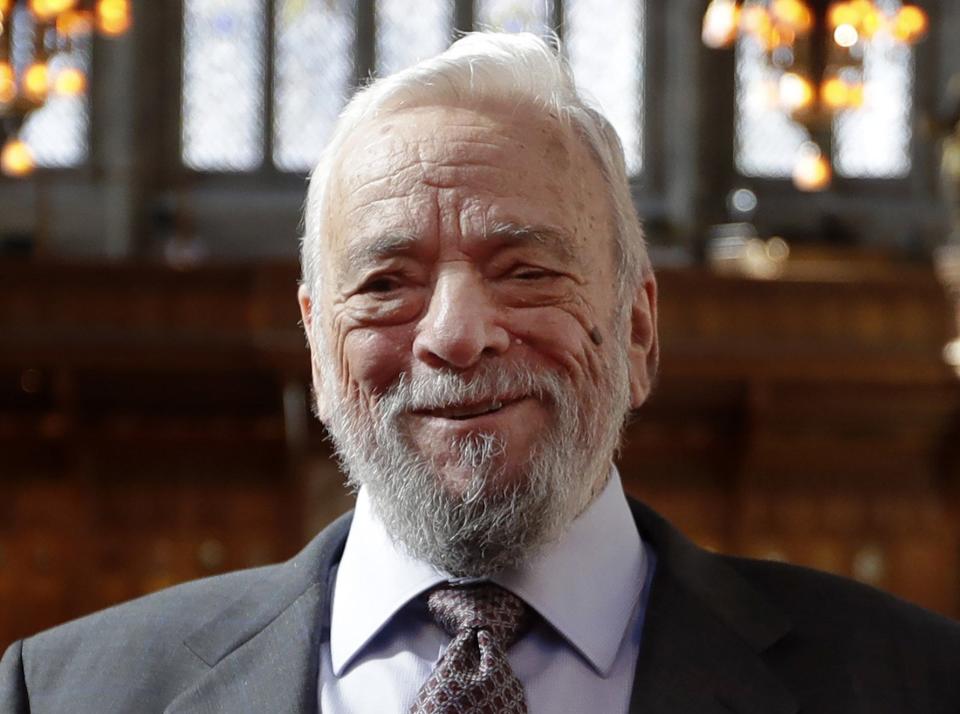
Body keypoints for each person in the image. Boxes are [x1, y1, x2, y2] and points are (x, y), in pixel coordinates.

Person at [2, 31, 959, 714]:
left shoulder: (911, 684)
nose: (457, 336)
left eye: (528, 271)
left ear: (635, 327)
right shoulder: (70, 693)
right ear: (318, 344)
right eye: (385, 281)